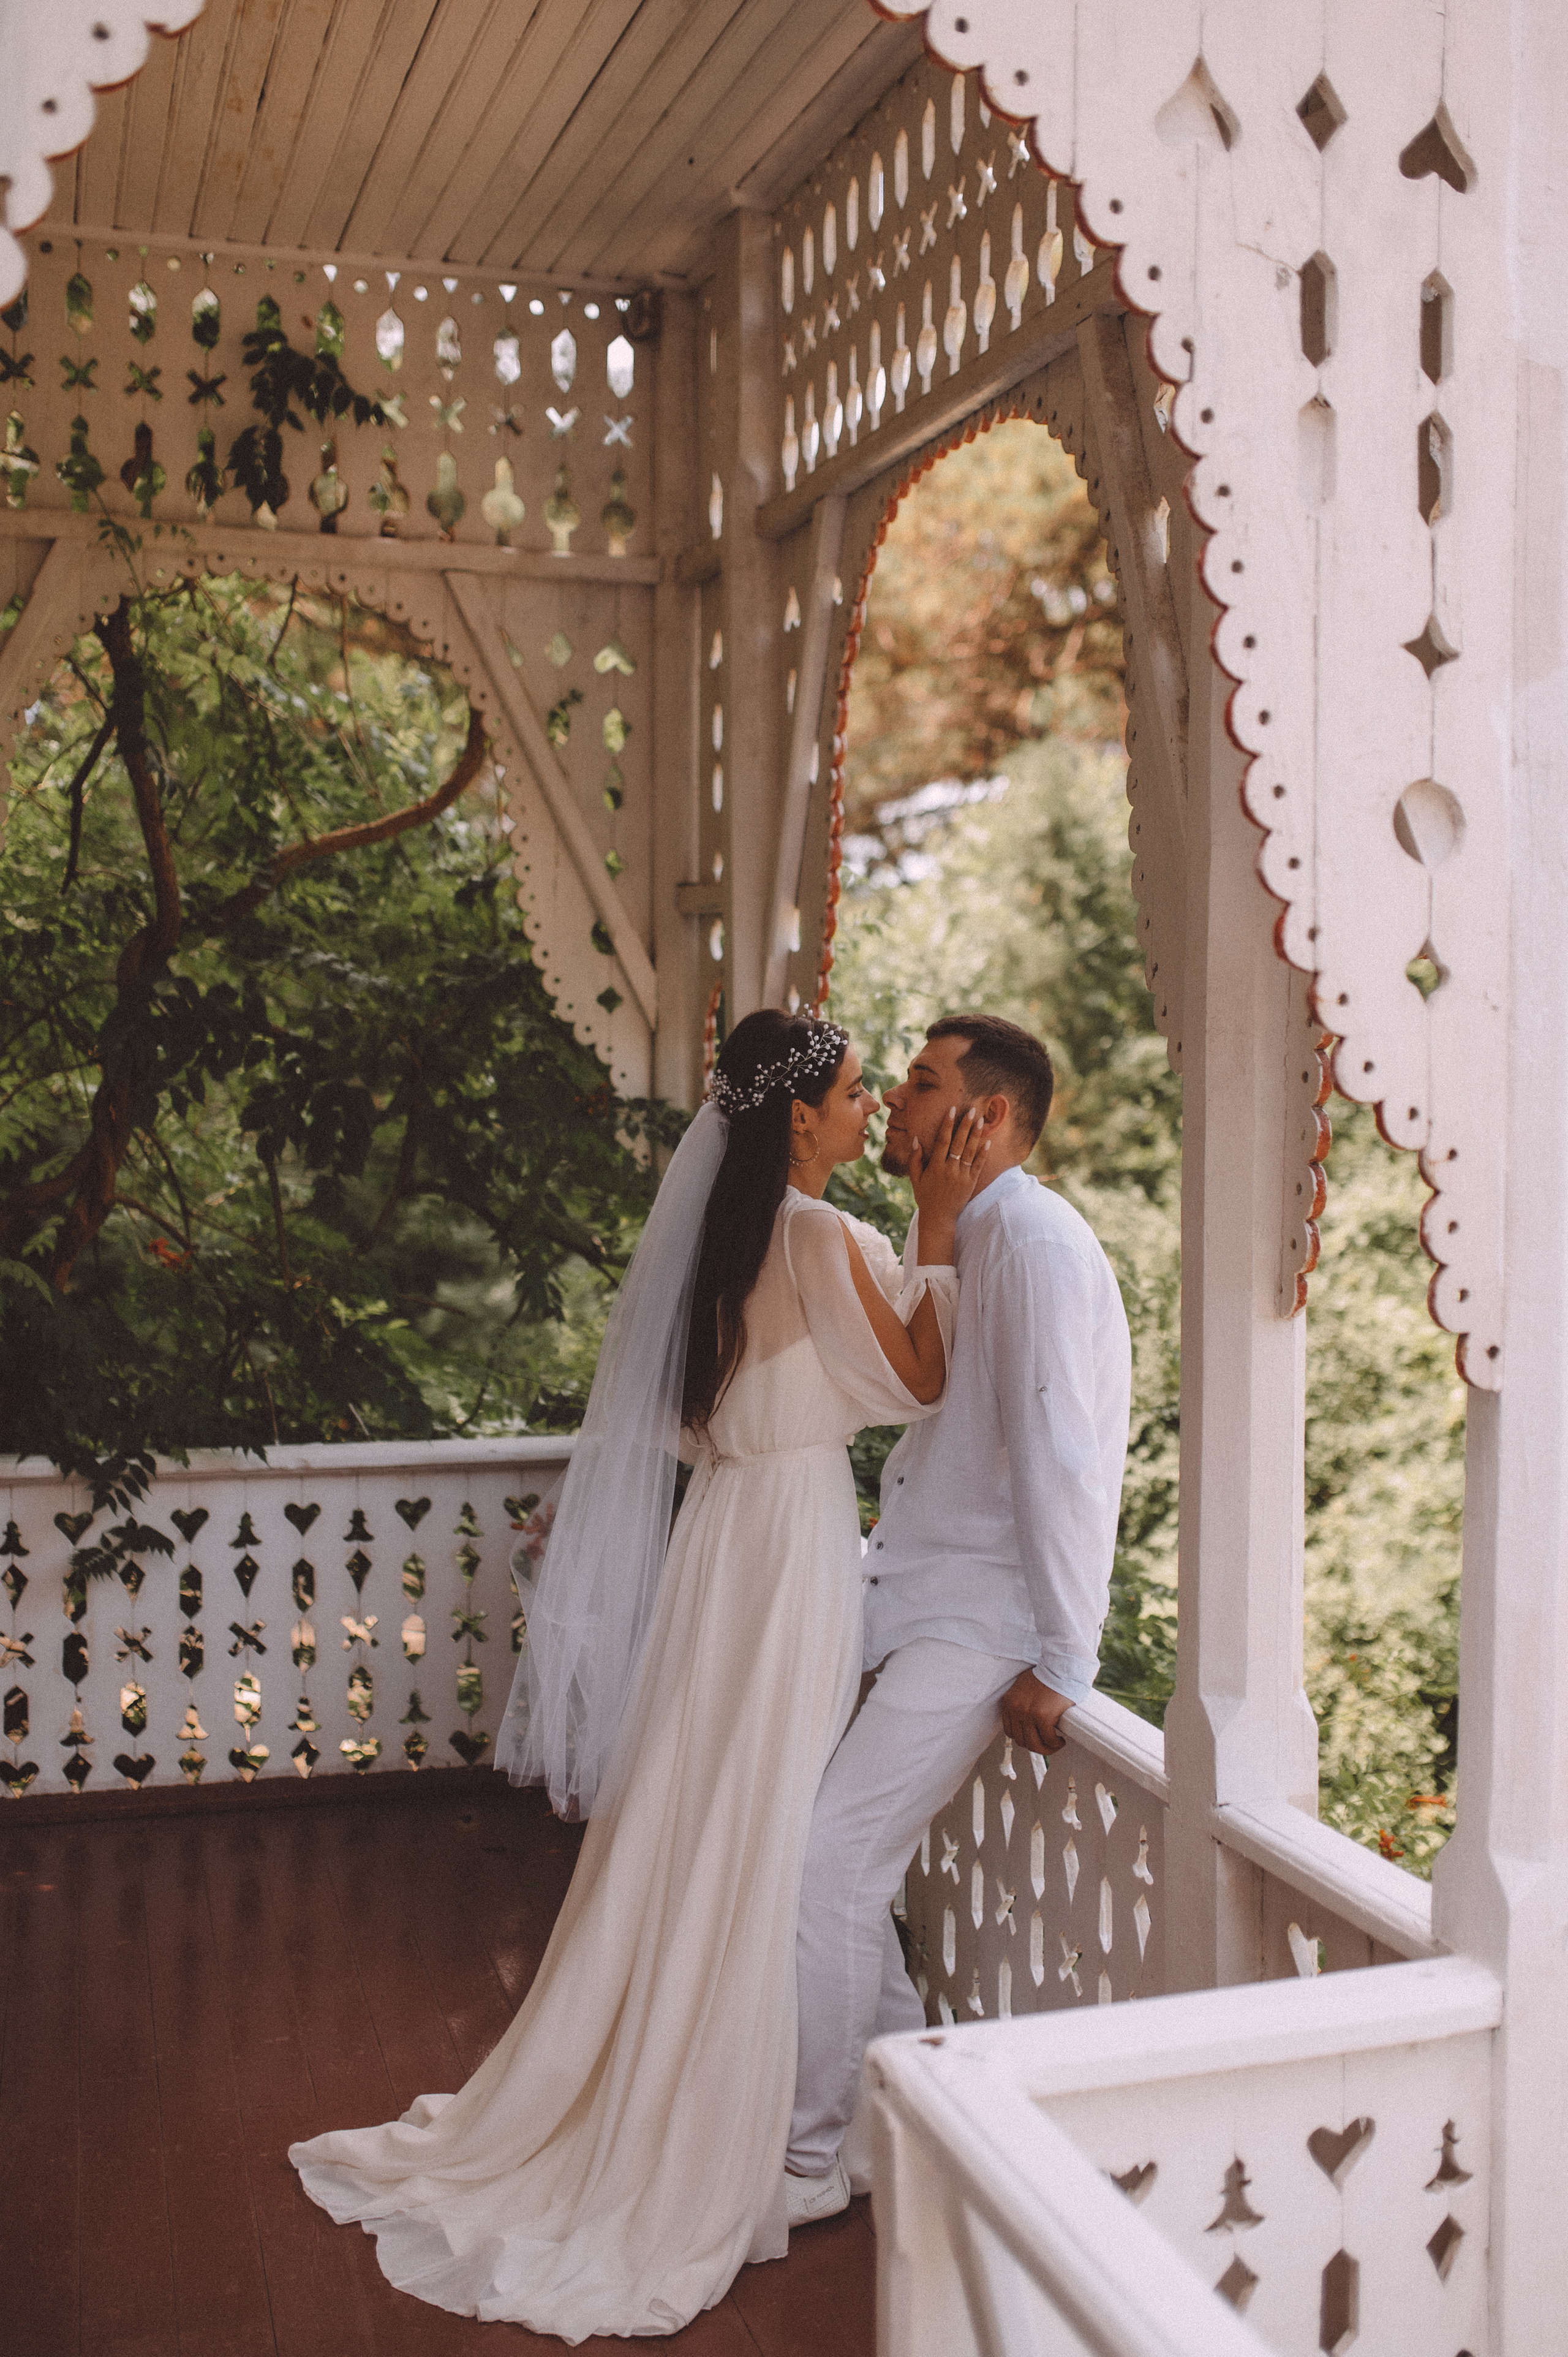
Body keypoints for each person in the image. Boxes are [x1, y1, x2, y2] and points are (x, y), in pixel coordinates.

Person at [289, 1008, 989, 2340]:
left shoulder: (727, 1241)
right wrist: (942, 1224)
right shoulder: (815, 1233)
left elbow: (687, 1418)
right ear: (799, 1118)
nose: (868, 1113)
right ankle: (769, 2108)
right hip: (787, 1545)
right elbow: (916, 1383)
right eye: (854, 1093)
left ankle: (787, 2073)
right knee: (765, 1809)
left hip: (728, 1538)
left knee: (711, 1799)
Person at [784, 1013, 1132, 2224]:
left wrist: (1066, 1657)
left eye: (920, 1084)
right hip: (915, 1595)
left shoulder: (1030, 1245)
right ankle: (895, 2131)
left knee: (827, 1866)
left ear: (984, 1117)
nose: (891, 1101)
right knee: (836, 1868)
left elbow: (1061, 1459)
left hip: (981, 1622)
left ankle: (806, 2162)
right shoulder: (964, 1239)